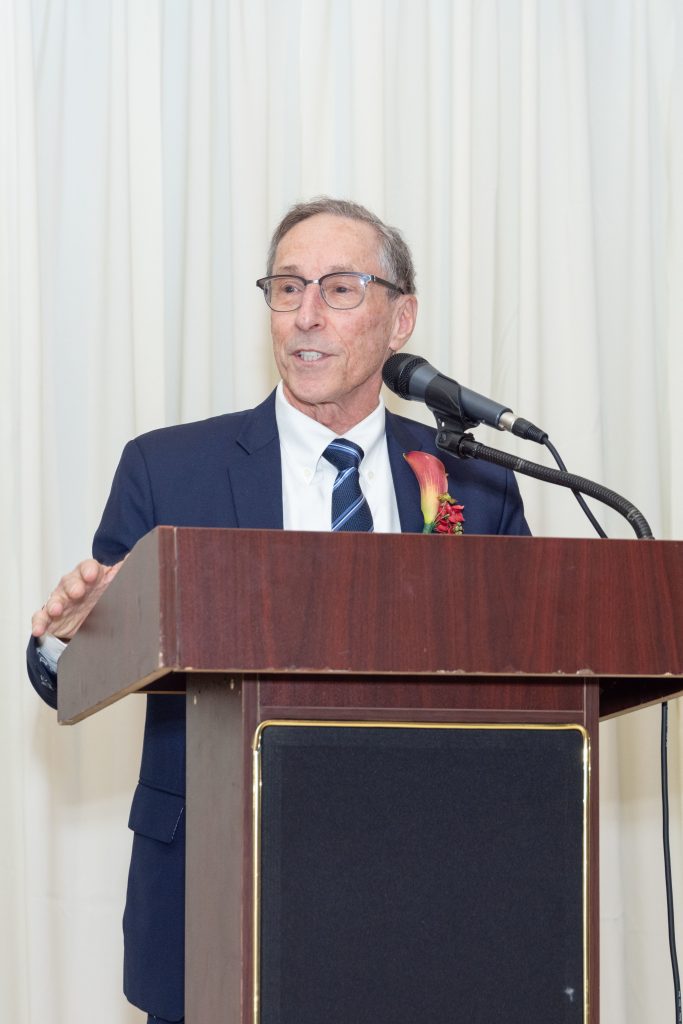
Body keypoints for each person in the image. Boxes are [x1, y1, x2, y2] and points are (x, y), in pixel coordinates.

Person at [27, 196, 530, 1022]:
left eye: (339, 289)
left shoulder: (475, 482)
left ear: (400, 319)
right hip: (216, 887)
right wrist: (67, 640)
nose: (305, 316)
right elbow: (80, 672)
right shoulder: (169, 469)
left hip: (430, 893)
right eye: (287, 287)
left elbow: (525, 681)